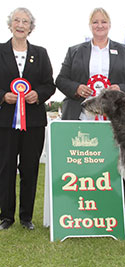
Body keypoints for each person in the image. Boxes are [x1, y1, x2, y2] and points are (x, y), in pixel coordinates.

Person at [55, 7, 125, 207]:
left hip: (114, 120)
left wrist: (120, 88)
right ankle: (78, 205)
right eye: (95, 22)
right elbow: (60, 80)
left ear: (109, 25)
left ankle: (115, 208)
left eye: (103, 21)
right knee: (81, 161)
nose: (99, 25)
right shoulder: (75, 51)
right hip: (82, 116)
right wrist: (77, 88)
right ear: (90, 25)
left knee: (114, 162)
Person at [0, 7, 56, 230]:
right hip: (5, 121)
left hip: (33, 121)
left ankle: (26, 217)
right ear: (10, 24)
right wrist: (3, 95)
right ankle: (6, 216)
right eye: (17, 20)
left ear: (31, 27)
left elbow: (49, 85)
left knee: (30, 168)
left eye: (25, 21)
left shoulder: (40, 53)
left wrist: (38, 95)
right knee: (5, 167)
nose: (20, 25)